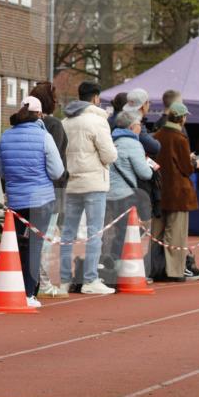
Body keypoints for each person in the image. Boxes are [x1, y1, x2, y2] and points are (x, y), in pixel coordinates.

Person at [0, 95, 64, 307]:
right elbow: (57, 171)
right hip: (40, 199)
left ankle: (0, 285)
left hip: (16, 199)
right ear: (39, 114)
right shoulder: (44, 137)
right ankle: (28, 293)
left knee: (13, 245)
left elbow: (1, 170)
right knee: (34, 247)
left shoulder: (5, 137)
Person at [59, 81, 118, 295]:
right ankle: (90, 279)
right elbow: (110, 154)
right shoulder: (98, 121)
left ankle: (65, 279)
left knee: (68, 233)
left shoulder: (65, 121)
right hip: (94, 182)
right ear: (95, 98)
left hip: (72, 182)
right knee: (95, 233)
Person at [30, 81, 68, 299]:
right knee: (44, 239)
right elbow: (57, 164)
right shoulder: (53, 125)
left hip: (28, 189)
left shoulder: (21, 123)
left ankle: (33, 280)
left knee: (30, 237)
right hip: (52, 190)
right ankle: (42, 283)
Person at [152, 102, 199, 281]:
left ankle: (155, 268)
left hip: (159, 192)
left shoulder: (156, 135)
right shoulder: (180, 138)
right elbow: (186, 168)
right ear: (182, 118)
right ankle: (174, 271)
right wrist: (193, 162)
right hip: (178, 193)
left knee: (156, 233)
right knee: (176, 234)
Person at [105, 109, 153, 261]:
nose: (141, 128)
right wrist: (149, 166)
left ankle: (105, 267)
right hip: (124, 195)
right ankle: (117, 268)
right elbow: (145, 173)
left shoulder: (112, 141)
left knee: (108, 234)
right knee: (124, 233)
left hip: (107, 193)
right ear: (132, 127)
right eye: (140, 124)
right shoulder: (133, 144)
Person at [122, 88, 161, 157]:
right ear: (143, 106)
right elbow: (155, 147)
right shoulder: (136, 124)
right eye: (148, 102)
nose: (149, 105)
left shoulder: (122, 119)